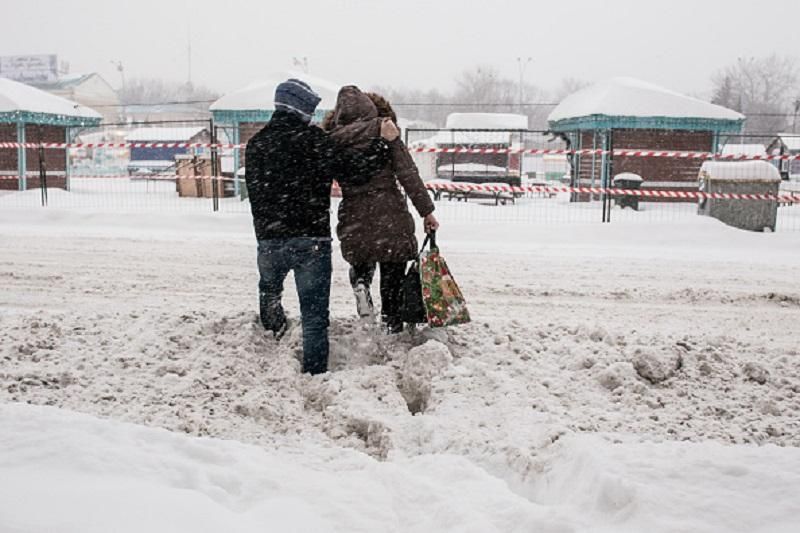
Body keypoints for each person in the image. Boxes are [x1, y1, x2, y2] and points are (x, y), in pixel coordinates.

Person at [245, 78, 399, 375]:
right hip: (312, 240)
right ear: (300, 109)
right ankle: (315, 373)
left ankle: (273, 338)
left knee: (269, 293)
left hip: (269, 239)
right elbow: (355, 170)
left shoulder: (256, 144)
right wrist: (382, 145)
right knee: (315, 318)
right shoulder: (315, 141)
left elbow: (256, 192)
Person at [322, 86, 438, 333]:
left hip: (354, 214)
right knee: (392, 272)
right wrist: (426, 211)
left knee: (362, 259)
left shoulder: (331, 141)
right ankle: (391, 323)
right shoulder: (386, 131)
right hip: (390, 213)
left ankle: (361, 283)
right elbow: (408, 174)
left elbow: (319, 181)